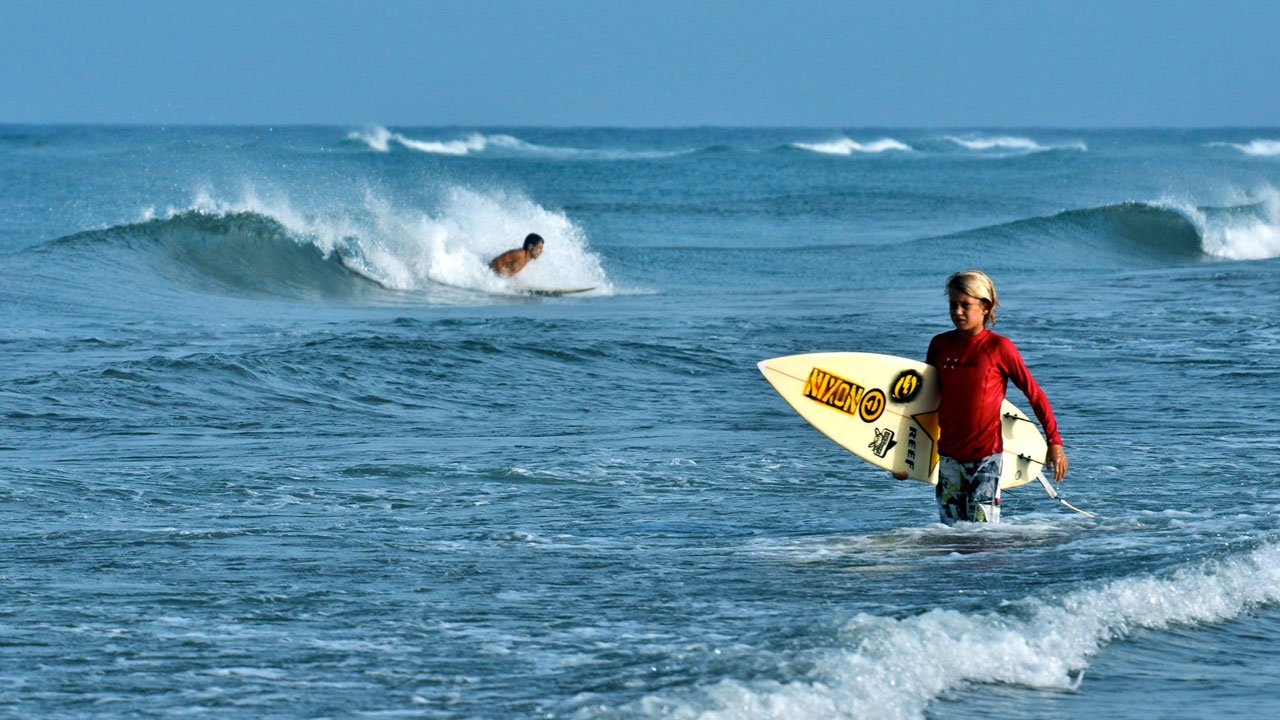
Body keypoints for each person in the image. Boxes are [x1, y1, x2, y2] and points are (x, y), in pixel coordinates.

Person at [896, 271, 1068, 525]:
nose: (957, 311)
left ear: (985, 307)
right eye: (953, 304)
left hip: (986, 458)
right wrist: (906, 460)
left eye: (966, 305)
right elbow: (924, 404)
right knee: (951, 538)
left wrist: (1054, 441)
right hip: (948, 458)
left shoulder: (999, 348)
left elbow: (1034, 394)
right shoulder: (940, 345)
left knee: (981, 540)